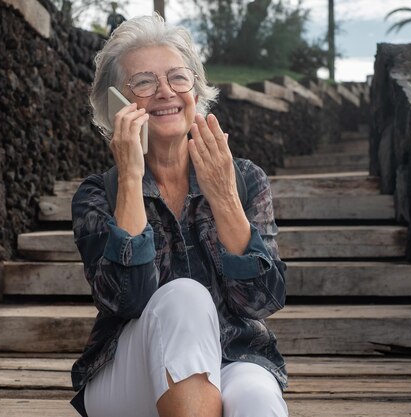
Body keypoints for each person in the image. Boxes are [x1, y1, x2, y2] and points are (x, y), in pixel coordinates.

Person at [70, 13, 288, 417]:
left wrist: (223, 196)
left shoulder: (243, 179)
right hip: (128, 371)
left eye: (178, 77)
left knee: (257, 398)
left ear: (195, 89)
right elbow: (128, 298)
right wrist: (132, 176)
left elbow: (263, 299)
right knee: (186, 296)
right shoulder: (99, 194)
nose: (165, 92)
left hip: (234, 357)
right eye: (144, 82)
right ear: (117, 103)